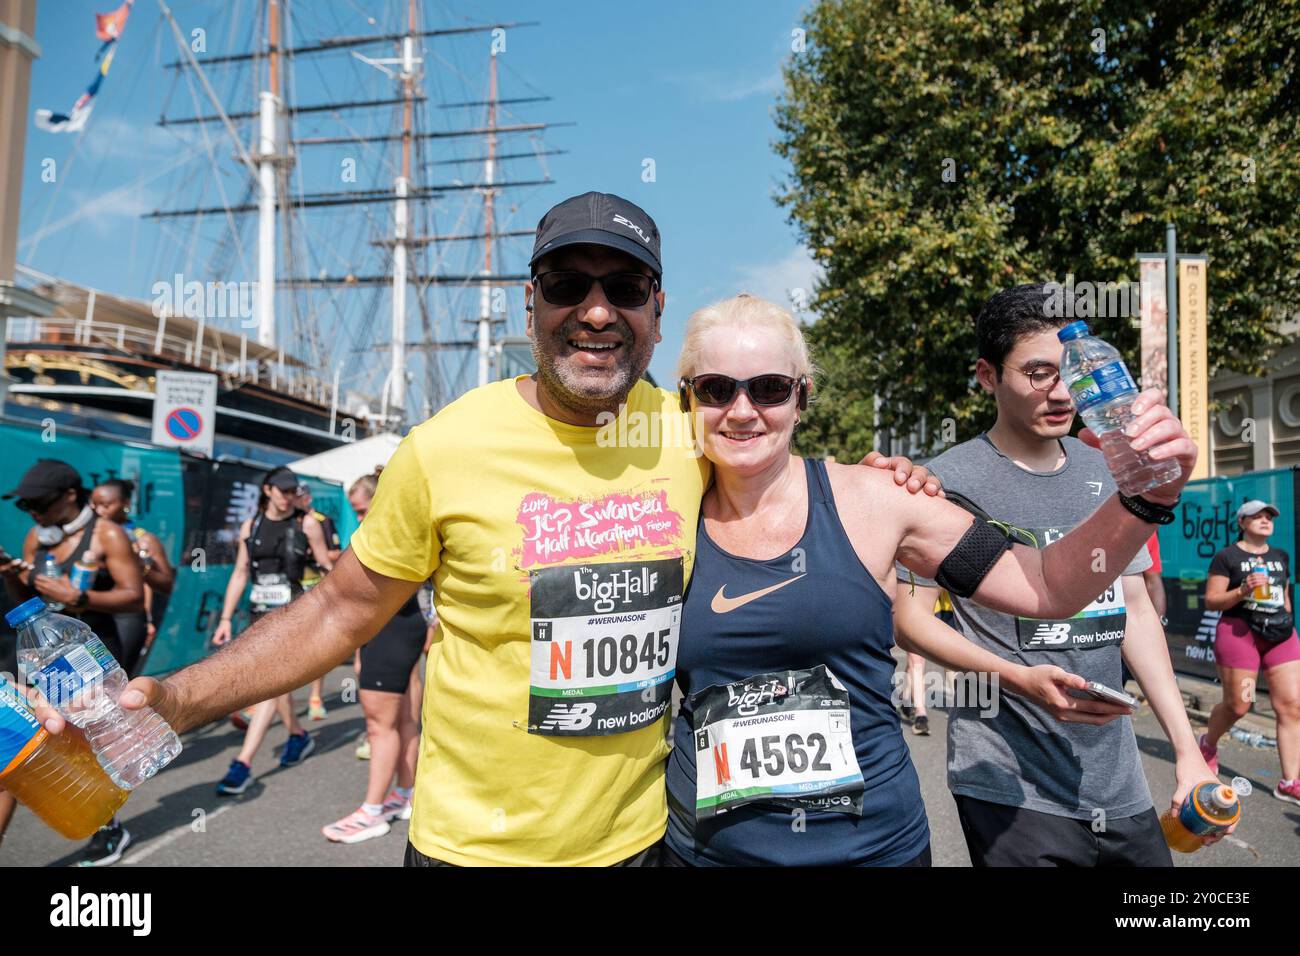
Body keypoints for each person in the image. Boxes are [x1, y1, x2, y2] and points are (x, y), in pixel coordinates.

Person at [54, 192, 933, 867]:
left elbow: (780, 466)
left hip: (647, 843)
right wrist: (177, 697)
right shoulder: (444, 449)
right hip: (477, 850)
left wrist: (882, 479)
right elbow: (339, 613)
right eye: (567, 285)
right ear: (530, 302)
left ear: (657, 310)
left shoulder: (689, 427)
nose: (595, 310)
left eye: (622, 287)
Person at [661, 293, 1198, 866]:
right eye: (717, 389)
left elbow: (1044, 585)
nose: (742, 411)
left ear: (801, 398)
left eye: (769, 388)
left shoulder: (880, 499)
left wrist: (1148, 498)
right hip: (710, 855)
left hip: (875, 850)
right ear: (686, 399)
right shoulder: (659, 512)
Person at [893, 284, 1221, 866]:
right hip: (1007, 779)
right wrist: (1015, 679)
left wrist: (1186, 750)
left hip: (1117, 779)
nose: (1063, 392)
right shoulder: (943, 481)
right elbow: (910, 619)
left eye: (1072, 373)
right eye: (1039, 373)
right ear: (988, 376)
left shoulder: (1117, 468)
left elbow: (1136, 611)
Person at [0, 459, 144, 865]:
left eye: (39, 503)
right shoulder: (36, 537)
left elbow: (133, 594)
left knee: (91, 735)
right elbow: (23, 602)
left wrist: (78, 596)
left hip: (89, 651)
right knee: (25, 742)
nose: (33, 513)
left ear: (69, 495)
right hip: (41, 653)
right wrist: (11, 576)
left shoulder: (108, 535)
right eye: (24, 506)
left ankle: (108, 824)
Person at [210, 466, 335, 795]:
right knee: (277, 686)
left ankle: (243, 764)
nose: (289, 497)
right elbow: (240, 572)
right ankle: (297, 734)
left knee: (268, 685)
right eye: (283, 491)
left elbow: (325, 565)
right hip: (258, 615)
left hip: (293, 615)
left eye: (293, 491)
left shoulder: (306, 523)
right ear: (268, 490)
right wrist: (225, 619)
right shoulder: (251, 526)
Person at [322, 470, 424, 843]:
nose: (360, 518)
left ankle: (372, 811)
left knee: (379, 726)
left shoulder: (386, 533)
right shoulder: (405, 527)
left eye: (363, 510)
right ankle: (404, 794)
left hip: (392, 629)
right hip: (402, 626)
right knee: (404, 720)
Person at [1201, 500, 1300, 804]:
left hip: (1280, 635)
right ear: (1242, 522)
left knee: (1292, 706)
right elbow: (1212, 600)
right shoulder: (1227, 556)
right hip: (1240, 634)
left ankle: (1289, 782)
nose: (1265, 520)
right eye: (1257, 516)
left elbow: (1283, 595)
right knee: (1241, 705)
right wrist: (1243, 590)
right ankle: (1208, 743)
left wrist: (1286, 616)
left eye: (1269, 516)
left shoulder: (1280, 556)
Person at [91, 479, 176, 677]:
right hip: (92, 612)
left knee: (113, 676)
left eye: (106, 505)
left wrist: (140, 566)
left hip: (125, 618)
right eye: (94, 505)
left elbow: (167, 584)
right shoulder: (87, 537)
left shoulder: (143, 539)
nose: (99, 511)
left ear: (126, 504)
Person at [295, 483, 342, 721]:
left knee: (317, 643)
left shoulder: (322, 520)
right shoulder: (286, 521)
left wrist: (315, 550)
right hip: (289, 587)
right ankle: (263, 702)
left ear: (308, 498)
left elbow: (336, 552)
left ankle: (315, 697)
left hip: (314, 584)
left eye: (301, 496)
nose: (298, 500)